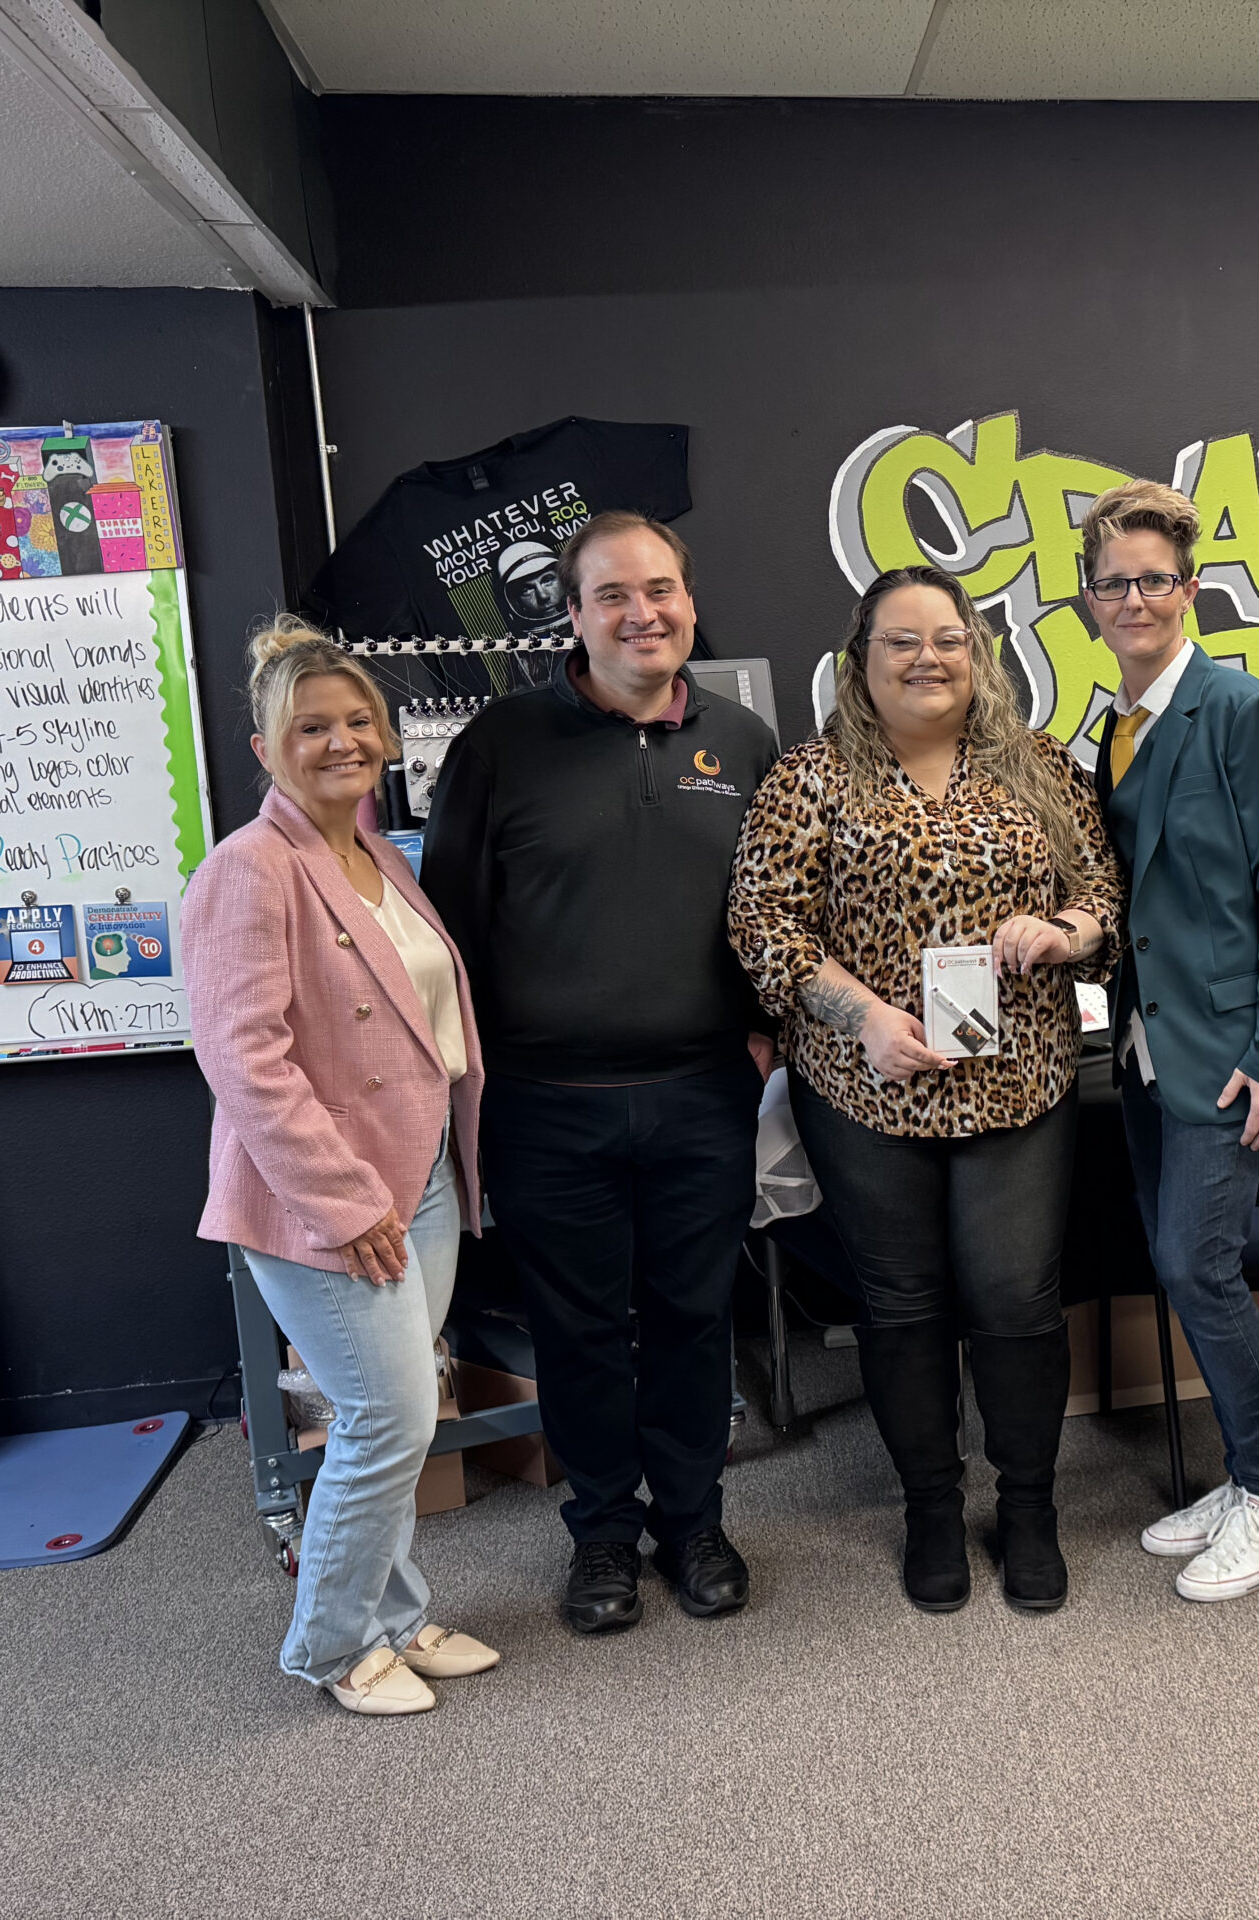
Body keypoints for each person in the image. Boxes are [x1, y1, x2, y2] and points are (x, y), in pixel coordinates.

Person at [727, 566, 1123, 1614]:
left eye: (946, 638)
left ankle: (1029, 1507)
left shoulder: (1038, 766)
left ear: (975, 651)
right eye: (900, 641)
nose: (926, 658)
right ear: (859, 659)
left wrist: (1064, 933)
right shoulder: (809, 777)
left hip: (1018, 1079)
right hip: (866, 1088)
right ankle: (932, 1509)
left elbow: (1102, 897)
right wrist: (862, 1018)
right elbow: (766, 925)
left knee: (1014, 1301)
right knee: (900, 1307)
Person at [422, 511, 779, 1636]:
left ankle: (693, 1522)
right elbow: (451, 933)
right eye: (615, 594)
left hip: (700, 1095)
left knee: (690, 1317)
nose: (645, 613)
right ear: (571, 615)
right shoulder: (499, 745)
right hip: (546, 1105)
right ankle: (603, 1538)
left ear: (687, 599)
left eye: (662, 589)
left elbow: (775, 916)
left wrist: (761, 1037)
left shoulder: (744, 740)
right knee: (577, 1333)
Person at [186, 615, 497, 1717]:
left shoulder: (373, 858)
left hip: (421, 1179)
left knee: (401, 1412)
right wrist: (339, 1201)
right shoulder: (250, 869)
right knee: (387, 1419)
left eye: (359, 721)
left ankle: (397, 1616)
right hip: (329, 1199)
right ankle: (327, 1644)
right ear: (267, 749)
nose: (342, 741)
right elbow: (244, 1058)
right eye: (311, 727)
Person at [1080, 479, 1259, 1603]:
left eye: (1154, 578)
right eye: (1113, 581)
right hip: (1145, 1047)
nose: (1134, 597)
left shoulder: (1235, 707)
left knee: (1199, 1263)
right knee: (1179, 1265)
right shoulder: (1117, 722)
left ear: (1187, 588)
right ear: (1090, 600)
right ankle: (1244, 1474)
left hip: (1232, 1048)